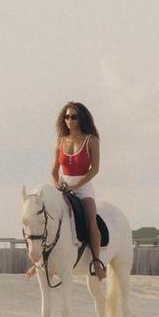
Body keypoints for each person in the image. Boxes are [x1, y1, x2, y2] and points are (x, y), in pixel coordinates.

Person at [53, 101, 105, 279]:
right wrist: (57, 185)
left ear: (81, 118)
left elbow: (95, 169)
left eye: (73, 117)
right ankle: (40, 259)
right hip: (63, 185)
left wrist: (76, 186)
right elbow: (54, 171)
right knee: (47, 214)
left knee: (91, 219)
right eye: (66, 117)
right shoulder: (60, 141)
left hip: (83, 186)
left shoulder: (91, 140)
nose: (69, 120)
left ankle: (97, 261)